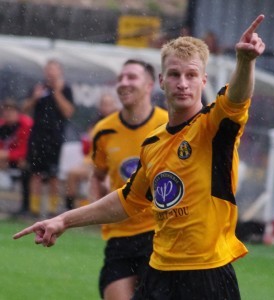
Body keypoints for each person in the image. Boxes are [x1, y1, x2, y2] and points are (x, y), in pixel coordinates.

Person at [13, 14, 265, 300]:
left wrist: (245, 62)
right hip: (159, 271)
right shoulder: (153, 143)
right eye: (174, 74)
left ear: (203, 80)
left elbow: (236, 99)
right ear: (161, 80)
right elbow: (127, 200)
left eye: (191, 75)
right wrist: (63, 221)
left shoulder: (214, 126)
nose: (182, 83)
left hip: (207, 273)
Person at [88, 59, 168, 299]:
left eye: (131, 77)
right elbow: (98, 175)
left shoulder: (168, 124)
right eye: (121, 78)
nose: (123, 83)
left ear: (149, 85)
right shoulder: (103, 130)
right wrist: (99, 209)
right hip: (120, 237)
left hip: (160, 236)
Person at [22, 59, 75, 217]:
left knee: (53, 175)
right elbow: (24, 109)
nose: (50, 73)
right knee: (35, 174)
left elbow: (68, 112)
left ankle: (52, 211)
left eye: (54, 69)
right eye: (48, 69)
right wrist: (34, 98)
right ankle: (34, 210)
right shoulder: (38, 88)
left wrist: (56, 92)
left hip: (55, 139)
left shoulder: (65, 89)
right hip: (37, 137)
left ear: (60, 72)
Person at [64, 92, 121, 210]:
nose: (106, 107)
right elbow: (87, 147)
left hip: (112, 163)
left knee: (97, 178)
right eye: (104, 104)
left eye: (109, 104)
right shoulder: (95, 124)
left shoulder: (120, 122)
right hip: (92, 161)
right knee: (71, 174)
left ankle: (94, 211)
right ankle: (70, 211)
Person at [0, 98, 33, 214]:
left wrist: (7, 155)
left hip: (25, 159)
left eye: (11, 111)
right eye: (5, 111)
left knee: (26, 168)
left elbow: (25, 150)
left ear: (17, 112)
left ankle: (26, 207)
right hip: (6, 159)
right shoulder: (2, 125)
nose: (7, 114)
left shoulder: (25, 124)